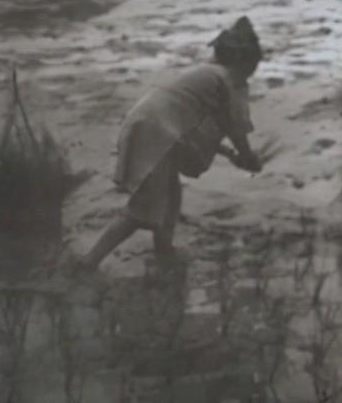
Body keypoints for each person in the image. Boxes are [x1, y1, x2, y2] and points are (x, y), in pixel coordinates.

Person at [80, 17, 265, 271]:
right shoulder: (227, 80)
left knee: (171, 195)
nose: (251, 74)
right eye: (251, 67)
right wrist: (248, 156)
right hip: (156, 134)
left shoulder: (207, 74)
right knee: (140, 211)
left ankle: (164, 250)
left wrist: (232, 154)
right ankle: (89, 262)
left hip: (149, 128)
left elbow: (191, 126)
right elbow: (236, 127)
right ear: (242, 62)